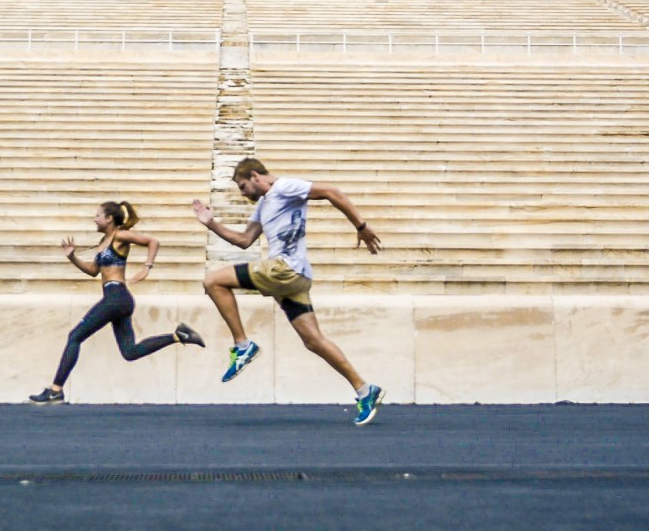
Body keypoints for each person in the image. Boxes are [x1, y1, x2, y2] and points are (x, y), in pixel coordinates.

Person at [191, 158, 386, 425]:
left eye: (243, 185)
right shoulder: (263, 204)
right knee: (313, 340)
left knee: (213, 281)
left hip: (284, 270)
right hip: (297, 278)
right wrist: (211, 223)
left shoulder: (284, 187)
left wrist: (361, 227)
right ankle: (365, 390)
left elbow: (332, 192)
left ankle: (243, 345)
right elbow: (244, 240)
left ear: (257, 176)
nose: (242, 192)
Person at [30, 201, 205, 404]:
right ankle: (178, 335)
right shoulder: (103, 242)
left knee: (75, 336)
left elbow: (153, 241)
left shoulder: (120, 236)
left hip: (116, 297)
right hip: (117, 299)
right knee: (130, 352)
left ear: (109, 218)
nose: (94, 219)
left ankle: (55, 390)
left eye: (97, 215)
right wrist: (73, 257)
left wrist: (147, 267)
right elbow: (94, 271)